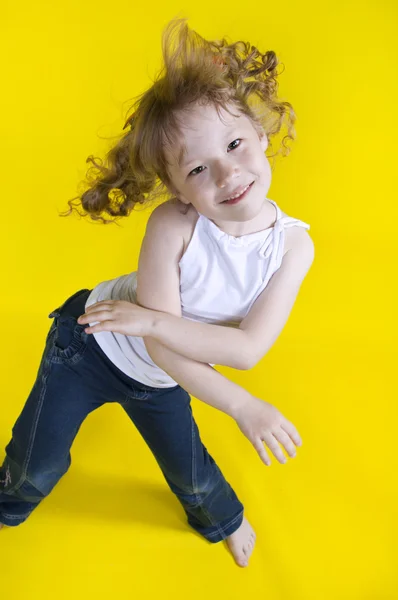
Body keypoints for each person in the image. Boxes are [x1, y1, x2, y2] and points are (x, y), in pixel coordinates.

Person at [0, 18, 315, 568]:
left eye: (235, 143)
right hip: (88, 349)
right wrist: (237, 402)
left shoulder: (293, 248)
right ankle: (10, 497)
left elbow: (246, 350)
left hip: (162, 374)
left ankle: (224, 519)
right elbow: (165, 347)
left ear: (261, 135)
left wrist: (150, 321)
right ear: (177, 189)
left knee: (191, 473)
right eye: (197, 168)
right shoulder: (173, 224)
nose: (226, 172)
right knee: (37, 464)